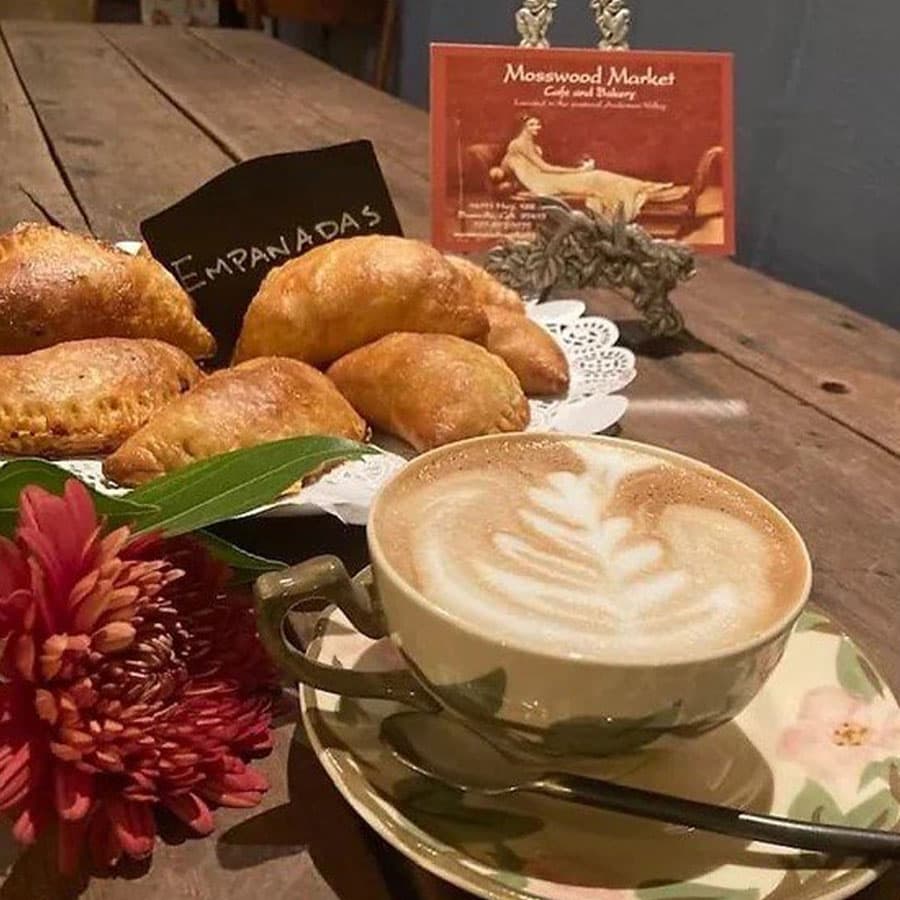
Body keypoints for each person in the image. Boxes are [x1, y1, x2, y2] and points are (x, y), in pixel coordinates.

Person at [499, 116, 675, 220]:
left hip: (549, 178)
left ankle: (645, 187)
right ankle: (645, 188)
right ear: (522, 127)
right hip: (545, 183)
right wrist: (579, 171)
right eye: (532, 124)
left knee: (598, 176)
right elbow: (544, 168)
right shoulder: (519, 144)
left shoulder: (527, 144)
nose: (538, 127)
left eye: (537, 124)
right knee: (596, 177)